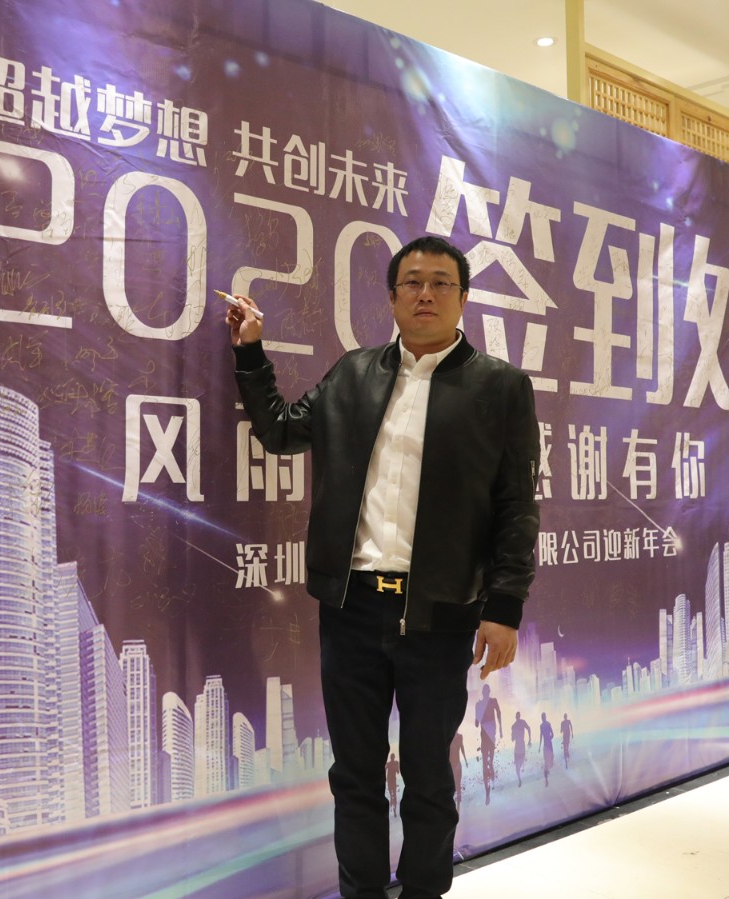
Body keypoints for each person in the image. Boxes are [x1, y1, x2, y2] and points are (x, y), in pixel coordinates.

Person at [226, 235, 541, 899]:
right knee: (355, 776)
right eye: (412, 282)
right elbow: (280, 430)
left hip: (442, 612)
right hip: (352, 608)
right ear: (393, 297)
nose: (426, 294)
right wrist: (250, 351)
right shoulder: (353, 374)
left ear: (463, 297)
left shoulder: (500, 386)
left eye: (441, 283)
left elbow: (517, 506)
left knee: (428, 776)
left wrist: (504, 605)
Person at [475, 684, 502, 803]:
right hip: (489, 733)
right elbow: (499, 713)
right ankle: (489, 786)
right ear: (489, 692)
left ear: (483, 692)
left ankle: (488, 790)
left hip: (487, 733)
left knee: (486, 760)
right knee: (488, 760)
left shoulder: (481, 704)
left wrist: (478, 711)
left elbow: (476, 723)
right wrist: (501, 728)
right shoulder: (489, 702)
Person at [509, 711, 531, 788]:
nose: (518, 718)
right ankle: (519, 779)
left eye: (518, 716)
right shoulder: (514, 725)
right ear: (516, 717)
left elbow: (529, 728)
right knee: (517, 766)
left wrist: (530, 740)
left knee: (520, 763)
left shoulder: (521, 723)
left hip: (521, 746)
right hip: (518, 747)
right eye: (517, 716)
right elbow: (512, 739)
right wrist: (513, 733)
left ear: (518, 717)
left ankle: (520, 773)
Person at [539, 712, 555, 787]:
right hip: (547, 745)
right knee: (548, 761)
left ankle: (547, 774)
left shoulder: (546, 724)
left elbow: (552, 734)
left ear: (544, 717)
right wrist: (540, 746)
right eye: (543, 717)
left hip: (547, 744)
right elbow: (542, 735)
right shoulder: (543, 725)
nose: (543, 718)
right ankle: (546, 779)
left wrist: (548, 739)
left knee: (550, 760)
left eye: (543, 717)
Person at [385, 751, 401, 818]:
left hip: (389, 781)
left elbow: (385, 769)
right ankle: (394, 811)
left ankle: (392, 808)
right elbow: (398, 772)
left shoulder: (388, 764)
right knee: (394, 795)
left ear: (391, 758)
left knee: (392, 796)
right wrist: (397, 766)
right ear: (394, 758)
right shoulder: (395, 763)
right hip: (393, 781)